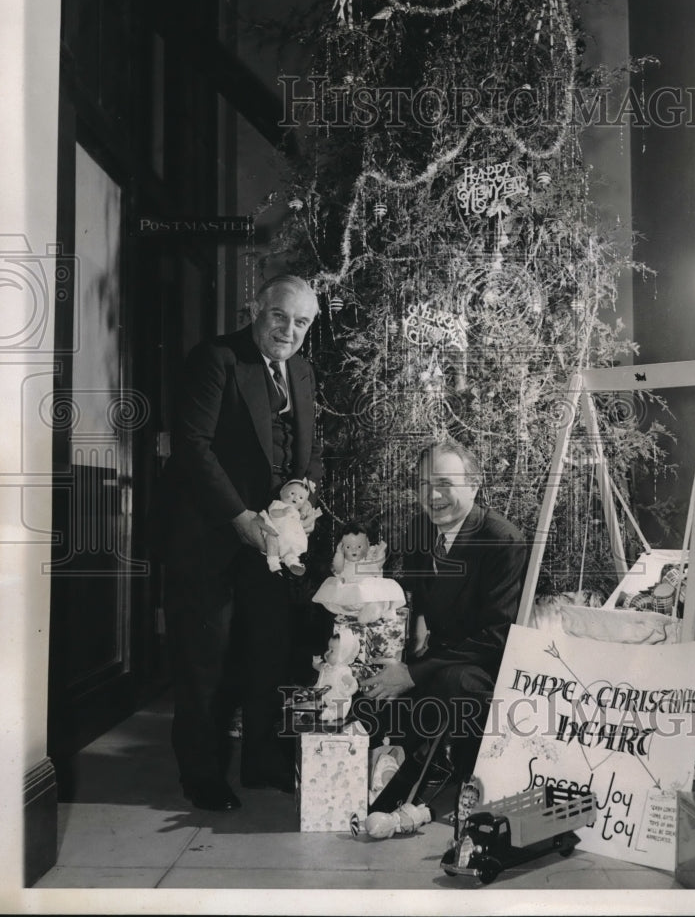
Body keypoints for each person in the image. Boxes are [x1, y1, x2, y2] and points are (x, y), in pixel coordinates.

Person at [154, 274, 322, 810]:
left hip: (272, 548)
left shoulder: (301, 370)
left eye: (301, 323)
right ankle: (201, 777)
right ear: (257, 308)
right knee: (207, 662)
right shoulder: (216, 359)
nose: (288, 331)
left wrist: (301, 485)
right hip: (210, 541)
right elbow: (192, 448)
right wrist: (238, 517)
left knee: (267, 653)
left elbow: (310, 450)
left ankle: (261, 763)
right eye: (280, 316)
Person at [361, 440, 528, 812]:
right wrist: (400, 649)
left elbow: (496, 637)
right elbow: (419, 598)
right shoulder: (421, 528)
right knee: (368, 689)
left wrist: (412, 673)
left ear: (474, 484)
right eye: (422, 484)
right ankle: (375, 781)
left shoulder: (502, 540)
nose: (432, 495)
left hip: (484, 668)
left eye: (444, 483)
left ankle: (450, 774)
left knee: (450, 685)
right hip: (437, 657)